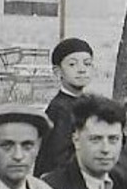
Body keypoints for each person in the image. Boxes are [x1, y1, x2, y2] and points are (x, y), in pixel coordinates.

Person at [34, 37, 96, 176]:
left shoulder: (85, 103)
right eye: (72, 65)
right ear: (58, 71)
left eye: (87, 64)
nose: (81, 70)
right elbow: (57, 158)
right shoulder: (60, 109)